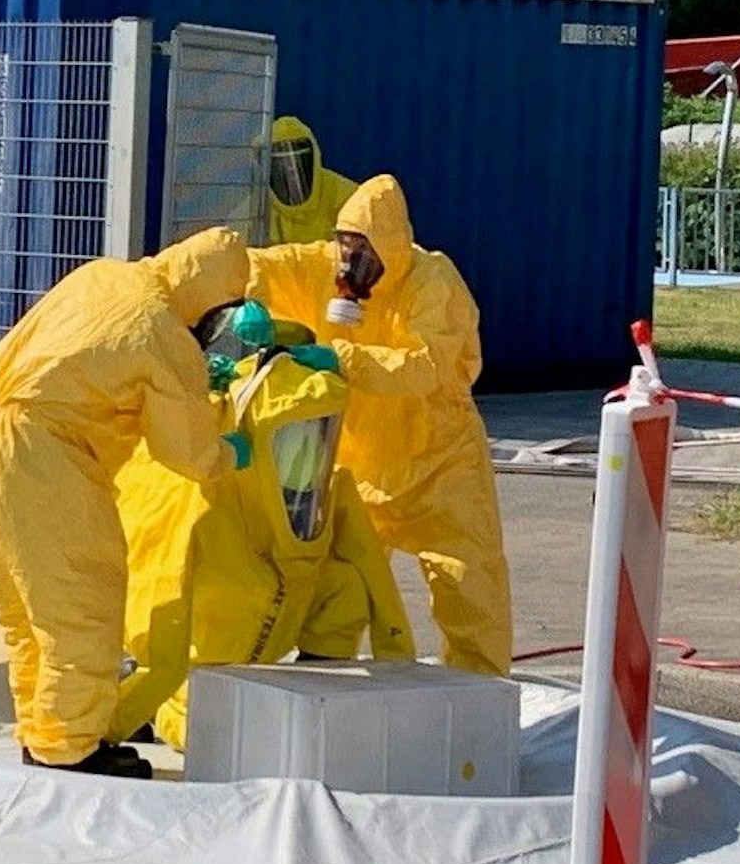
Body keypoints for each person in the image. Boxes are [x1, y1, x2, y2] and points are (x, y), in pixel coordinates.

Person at [0, 228, 254, 779]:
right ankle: (71, 749)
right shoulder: (164, 333)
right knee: (82, 600)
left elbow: (91, 358)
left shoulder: (106, 275)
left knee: (26, 607)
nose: (216, 330)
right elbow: (186, 453)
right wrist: (230, 453)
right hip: (41, 446)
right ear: (213, 301)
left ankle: (43, 732)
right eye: (222, 317)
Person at [243, 175, 514, 677]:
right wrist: (241, 298)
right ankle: (324, 683)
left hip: (438, 461)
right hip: (360, 465)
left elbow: (425, 368)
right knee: (335, 580)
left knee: (467, 583)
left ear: (392, 246)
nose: (351, 263)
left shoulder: (433, 281)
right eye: (346, 246)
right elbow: (245, 264)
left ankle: (482, 694)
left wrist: (338, 357)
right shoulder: (317, 267)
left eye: (365, 249)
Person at [109, 343, 416, 751]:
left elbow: (370, 571)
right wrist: (120, 719)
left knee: (343, 587)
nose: (309, 452)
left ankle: (309, 692)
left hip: (274, 605)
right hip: (202, 645)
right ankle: (157, 712)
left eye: (317, 432)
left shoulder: (328, 492)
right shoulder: (199, 501)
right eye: (294, 436)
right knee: (201, 728)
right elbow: (156, 604)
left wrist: (400, 670)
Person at [268, 116, 359, 245]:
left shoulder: (347, 195)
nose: (292, 170)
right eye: (282, 162)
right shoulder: (258, 203)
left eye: (299, 160)